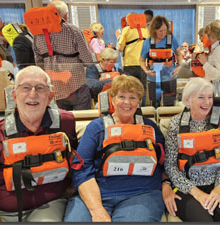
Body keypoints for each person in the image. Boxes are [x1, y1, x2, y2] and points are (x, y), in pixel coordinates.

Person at [0, 65, 78, 222]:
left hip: (48, 207)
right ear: (14, 95)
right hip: (1, 212)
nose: (32, 94)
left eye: (40, 88)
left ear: (50, 96)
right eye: (25, 87)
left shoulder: (66, 123)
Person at [64, 75, 166, 222]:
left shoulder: (150, 128)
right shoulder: (96, 128)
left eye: (133, 97)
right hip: (98, 192)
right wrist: (97, 209)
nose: (127, 102)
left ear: (139, 101)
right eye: (121, 96)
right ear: (112, 99)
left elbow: (164, 161)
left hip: (142, 194)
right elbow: (81, 167)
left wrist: (167, 184)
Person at [164, 77, 220, 222]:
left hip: (214, 186)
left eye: (210, 97)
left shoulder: (216, 123)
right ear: (188, 100)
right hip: (186, 189)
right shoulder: (176, 124)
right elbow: (170, 166)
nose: (207, 102)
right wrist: (197, 193)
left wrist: (219, 189)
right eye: (201, 97)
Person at [33, 0, 93, 110]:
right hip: (76, 84)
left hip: (54, 86)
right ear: (65, 15)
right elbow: (87, 60)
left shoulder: (37, 34)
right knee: (83, 119)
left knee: (62, 122)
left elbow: (39, 63)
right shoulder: (73, 30)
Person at [139, 15, 183, 107]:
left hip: (170, 77)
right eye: (160, 31)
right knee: (155, 104)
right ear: (154, 30)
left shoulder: (172, 39)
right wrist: (146, 71)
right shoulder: (148, 42)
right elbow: (141, 60)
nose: (163, 33)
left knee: (170, 104)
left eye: (165, 30)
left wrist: (179, 67)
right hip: (153, 78)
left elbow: (179, 54)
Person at [197, 19, 220, 99]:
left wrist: (205, 63)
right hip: (218, 88)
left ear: (215, 34)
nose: (208, 37)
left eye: (209, 35)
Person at [118, 12, 149, 102]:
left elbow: (120, 48)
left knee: (129, 89)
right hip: (143, 65)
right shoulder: (146, 30)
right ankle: (141, 109)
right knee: (142, 88)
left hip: (129, 64)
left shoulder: (126, 29)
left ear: (129, 20)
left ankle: (131, 109)